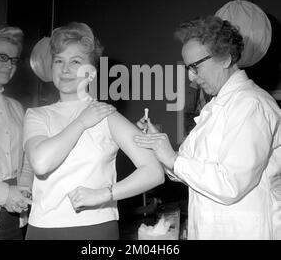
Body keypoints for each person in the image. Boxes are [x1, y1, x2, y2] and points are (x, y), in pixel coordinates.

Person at [134, 15, 281, 240]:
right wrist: (160, 149)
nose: (192, 77)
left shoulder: (251, 105)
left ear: (225, 58)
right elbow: (188, 171)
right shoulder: (217, 107)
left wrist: (173, 159)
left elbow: (231, 184)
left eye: (196, 67)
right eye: (187, 68)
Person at [23, 22, 164, 240]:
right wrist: (81, 122)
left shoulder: (107, 115)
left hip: (96, 228)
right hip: (43, 228)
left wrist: (104, 194)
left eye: (75, 62)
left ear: (91, 73)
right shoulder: (37, 115)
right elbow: (41, 163)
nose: (65, 69)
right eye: (59, 61)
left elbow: (154, 172)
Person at [0, 24, 33, 240]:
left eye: (13, 60)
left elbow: (27, 159)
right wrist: (4, 194)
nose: (9, 65)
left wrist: (24, 189)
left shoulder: (17, 107)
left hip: (15, 217)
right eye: (2, 57)